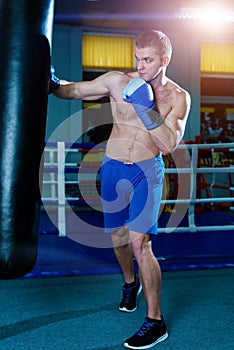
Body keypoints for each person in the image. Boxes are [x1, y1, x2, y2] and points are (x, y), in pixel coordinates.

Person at [50, 30, 191, 349]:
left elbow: (168, 144)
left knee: (142, 244)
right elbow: (75, 91)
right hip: (113, 168)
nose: (140, 66)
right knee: (117, 239)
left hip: (146, 172)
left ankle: (156, 321)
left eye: (148, 60)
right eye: (137, 58)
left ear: (164, 61)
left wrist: (145, 108)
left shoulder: (178, 97)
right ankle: (130, 283)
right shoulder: (117, 81)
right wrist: (51, 82)